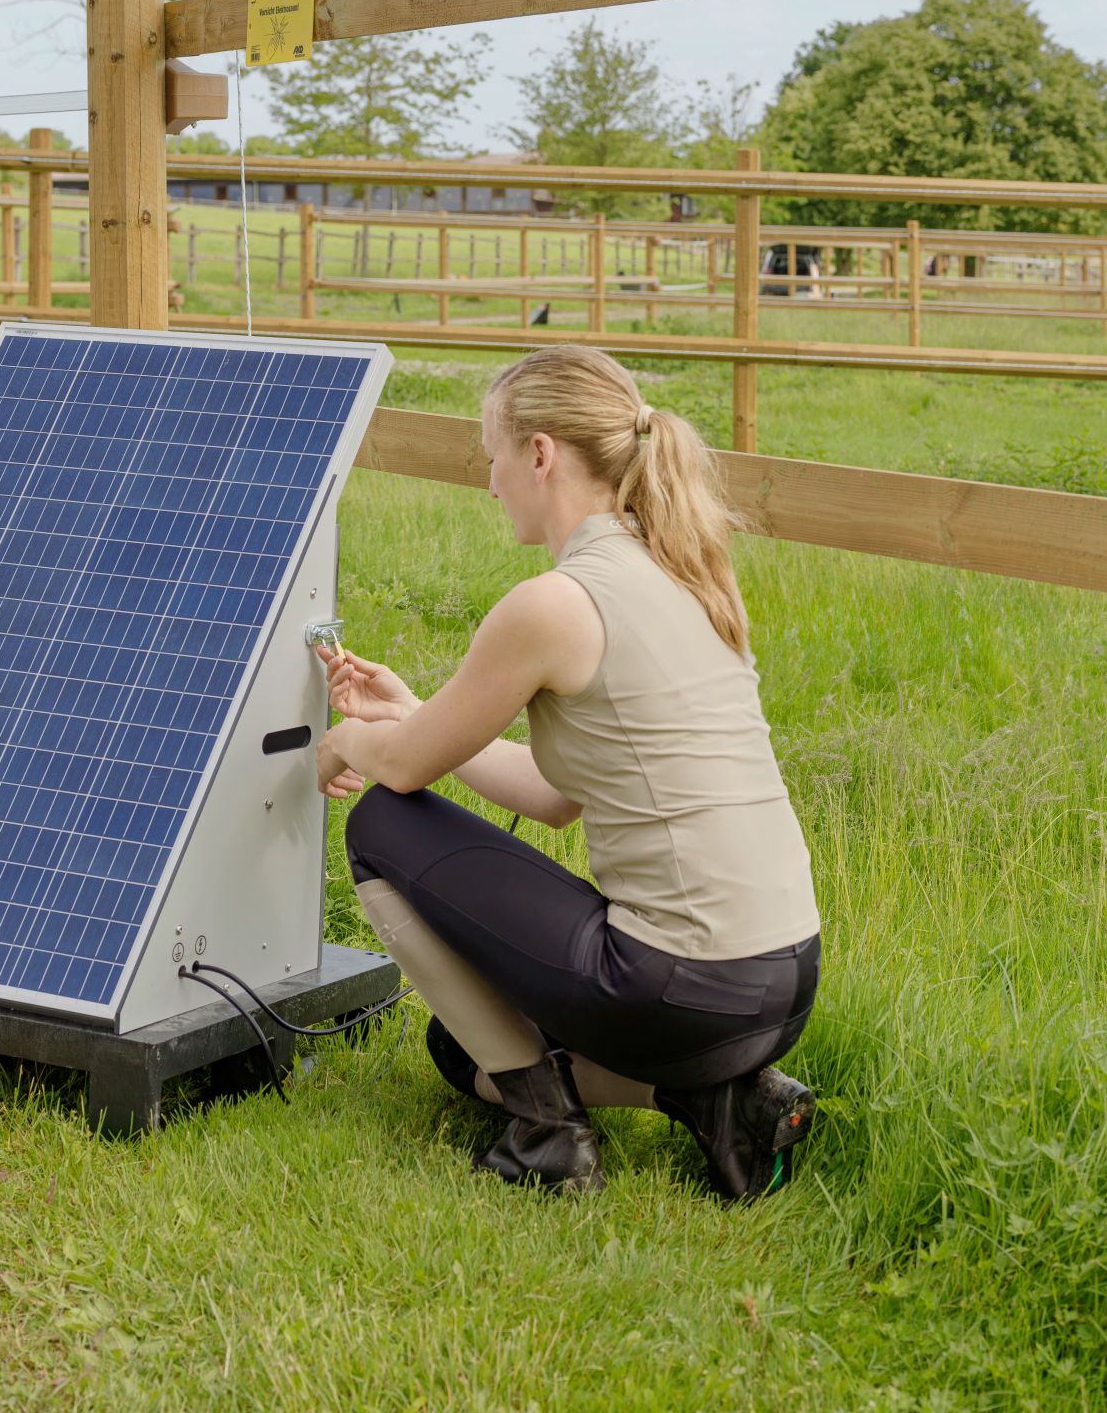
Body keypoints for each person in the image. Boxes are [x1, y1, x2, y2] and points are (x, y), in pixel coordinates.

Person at [314, 344, 821, 1199]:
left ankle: (550, 1134)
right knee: (455, 1050)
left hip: (679, 984)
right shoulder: (684, 573)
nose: (490, 481)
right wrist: (411, 714)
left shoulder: (555, 602)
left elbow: (398, 774)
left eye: (493, 456)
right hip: (783, 977)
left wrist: (342, 744)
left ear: (540, 454)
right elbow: (555, 800)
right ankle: (720, 1099)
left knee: (380, 823)